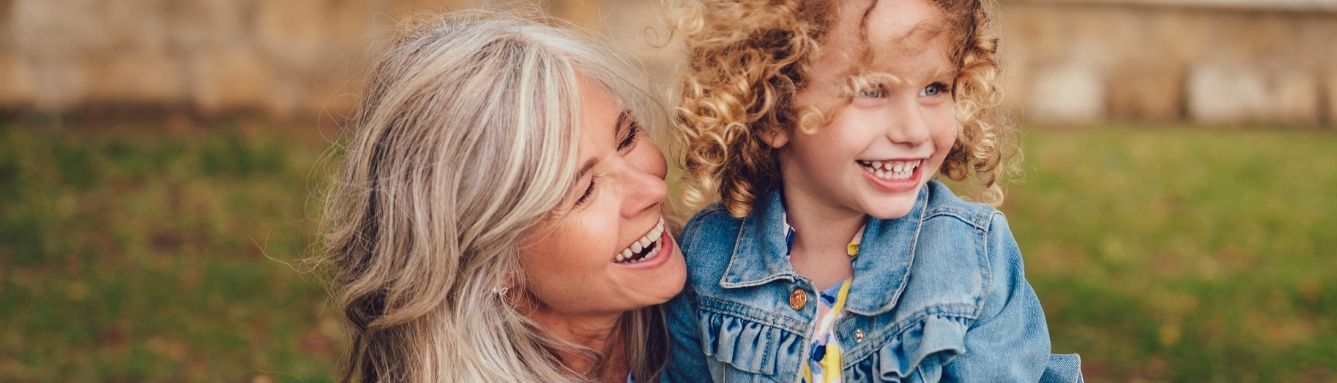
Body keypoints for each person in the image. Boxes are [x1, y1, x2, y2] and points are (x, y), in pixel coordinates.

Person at [666, 0, 1083, 381]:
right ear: (773, 109)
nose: (914, 130)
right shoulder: (709, 257)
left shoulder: (971, 259)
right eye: (871, 90)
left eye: (934, 88)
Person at [319, 13, 685, 382]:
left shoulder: (719, 311)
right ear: (493, 263)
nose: (653, 188)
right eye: (585, 191)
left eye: (627, 138)